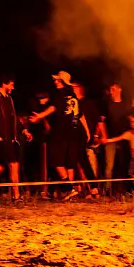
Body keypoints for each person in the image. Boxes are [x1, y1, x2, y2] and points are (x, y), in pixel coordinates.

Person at [29, 71, 92, 201]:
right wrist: (87, 131)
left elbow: (53, 108)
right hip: (74, 132)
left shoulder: (59, 94)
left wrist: (40, 116)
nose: (55, 82)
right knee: (69, 163)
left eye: (58, 80)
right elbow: (80, 115)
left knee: (56, 160)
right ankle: (70, 194)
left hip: (61, 132)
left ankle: (69, 189)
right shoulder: (72, 95)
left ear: (63, 81)